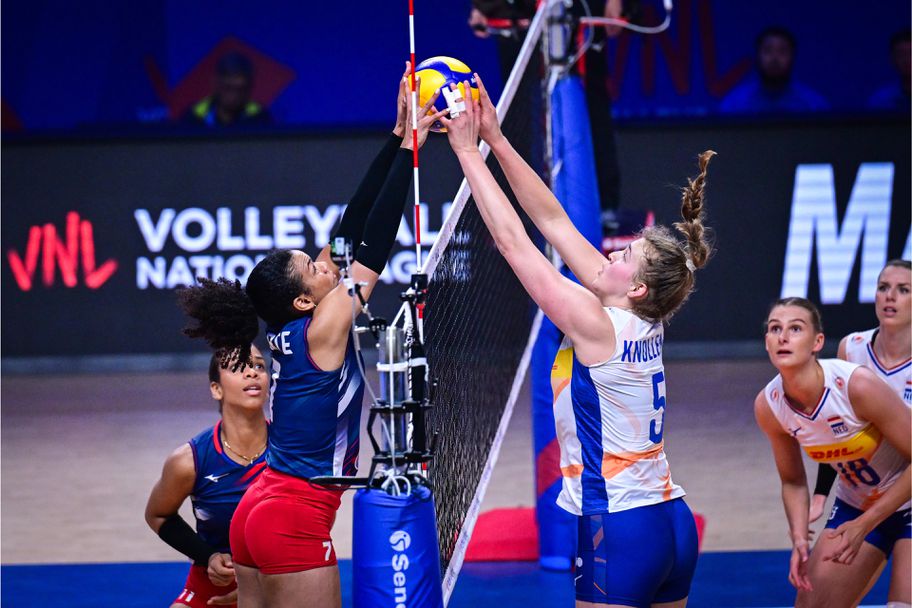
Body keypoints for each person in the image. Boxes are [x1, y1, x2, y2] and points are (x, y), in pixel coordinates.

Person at [175, 65, 444, 608]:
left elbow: (349, 230)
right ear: (303, 299)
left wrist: (396, 135)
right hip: (294, 515)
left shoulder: (294, 325)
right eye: (315, 268)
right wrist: (413, 149)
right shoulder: (325, 326)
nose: (327, 265)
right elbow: (373, 245)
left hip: (259, 507)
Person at [442, 75, 712, 607]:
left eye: (624, 255)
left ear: (636, 287)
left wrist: (466, 152)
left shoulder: (595, 323)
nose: (610, 253)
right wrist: (496, 139)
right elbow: (553, 220)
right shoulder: (643, 318)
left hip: (621, 526)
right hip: (671, 520)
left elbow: (513, 243)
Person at [754, 297, 911, 606]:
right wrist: (800, 538)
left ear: (817, 342)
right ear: (767, 343)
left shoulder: (856, 385)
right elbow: (793, 481)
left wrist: (866, 524)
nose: (783, 337)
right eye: (774, 329)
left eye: (795, 328)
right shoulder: (769, 405)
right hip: (856, 504)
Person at [807, 259, 911, 602]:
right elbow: (835, 430)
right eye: (883, 288)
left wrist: (868, 522)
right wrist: (820, 495)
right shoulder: (851, 348)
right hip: (859, 498)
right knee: (812, 601)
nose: (890, 296)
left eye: (903, 290)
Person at [145, 346, 269, 608]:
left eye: (259, 366)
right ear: (216, 389)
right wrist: (208, 557)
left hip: (280, 582)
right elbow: (158, 515)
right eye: (238, 367)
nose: (252, 373)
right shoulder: (189, 460)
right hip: (213, 589)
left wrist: (258, 584)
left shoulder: (291, 450)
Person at [720, 26, 829, 115]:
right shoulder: (735, 104)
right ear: (757, 56)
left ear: (792, 57)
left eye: (782, 51)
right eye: (767, 51)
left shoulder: (812, 104)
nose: (774, 58)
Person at [183, 53, 273, 128]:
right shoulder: (195, 116)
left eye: (240, 89)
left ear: (249, 89)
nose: (234, 95)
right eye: (228, 88)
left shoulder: (259, 117)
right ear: (216, 84)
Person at [868, 30, 911, 112]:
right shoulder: (881, 100)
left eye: (911, 53)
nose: (907, 60)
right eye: (901, 54)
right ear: (893, 59)